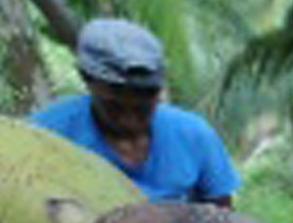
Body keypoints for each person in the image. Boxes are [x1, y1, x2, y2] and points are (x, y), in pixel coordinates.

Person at [32, 19, 240, 206]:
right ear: (87, 79)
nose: (130, 117)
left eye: (144, 101)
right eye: (115, 103)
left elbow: (223, 221)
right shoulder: (45, 137)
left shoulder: (194, 136)